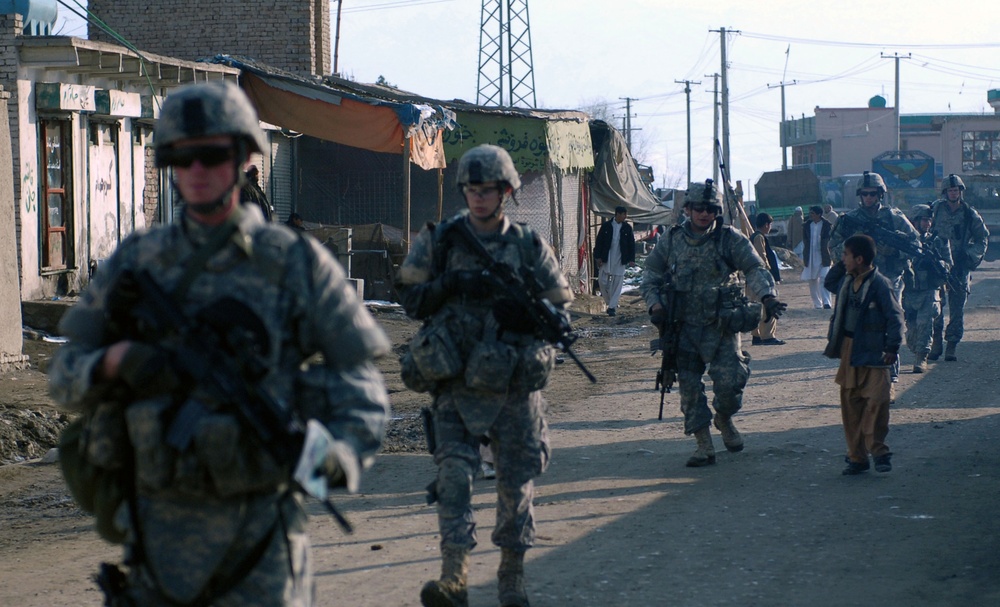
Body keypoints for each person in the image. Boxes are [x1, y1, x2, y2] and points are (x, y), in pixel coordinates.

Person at [47, 81, 391, 606]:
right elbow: (65, 374)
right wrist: (115, 363)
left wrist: (327, 453)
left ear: (244, 157)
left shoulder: (296, 264)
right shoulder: (137, 262)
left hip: (261, 542)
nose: (198, 171)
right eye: (182, 158)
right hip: (158, 540)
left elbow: (363, 390)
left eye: (213, 154)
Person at [395, 144, 572, 607]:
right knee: (453, 476)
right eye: (471, 189)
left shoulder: (528, 244)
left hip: (513, 381)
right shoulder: (441, 239)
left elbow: (559, 305)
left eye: (488, 190)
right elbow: (409, 299)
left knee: (515, 485)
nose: (478, 198)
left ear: (507, 192)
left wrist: (529, 316)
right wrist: (450, 285)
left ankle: (511, 579)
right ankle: (453, 577)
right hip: (456, 379)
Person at [641, 179, 786, 467]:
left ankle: (724, 418)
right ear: (688, 209)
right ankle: (703, 445)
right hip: (682, 327)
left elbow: (754, 267)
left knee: (731, 385)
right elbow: (651, 274)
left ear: (716, 211)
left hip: (721, 326)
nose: (704, 214)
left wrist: (767, 296)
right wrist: (654, 303)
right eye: (698, 208)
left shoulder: (729, 238)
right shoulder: (671, 239)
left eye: (710, 209)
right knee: (690, 389)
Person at [823, 235, 904, 475]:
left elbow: (895, 317)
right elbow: (829, 282)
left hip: (874, 352)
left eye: (846, 255)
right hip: (849, 349)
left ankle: (879, 452)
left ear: (859, 259)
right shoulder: (847, 279)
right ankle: (857, 457)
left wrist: (892, 347)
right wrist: (842, 262)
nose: (842, 259)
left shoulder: (880, 283)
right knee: (851, 405)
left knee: (878, 402)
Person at [829, 171, 920, 382]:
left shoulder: (894, 218)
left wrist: (892, 250)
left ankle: (891, 370)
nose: (869, 198)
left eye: (873, 194)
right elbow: (833, 249)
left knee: (890, 323)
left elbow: (915, 244)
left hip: (889, 280)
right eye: (865, 194)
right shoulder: (848, 220)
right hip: (859, 282)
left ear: (880, 194)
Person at [928, 174, 990, 361]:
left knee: (957, 309)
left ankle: (952, 345)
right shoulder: (935, 209)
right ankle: (936, 342)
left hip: (960, 266)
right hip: (937, 265)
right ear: (945, 192)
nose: (953, 193)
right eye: (950, 190)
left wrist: (970, 256)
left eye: (956, 190)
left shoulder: (970, 213)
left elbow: (982, 239)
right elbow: (921, 229)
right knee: (935, 306)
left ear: (960, 192)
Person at [902, 204, 952, 373]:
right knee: (912, 331)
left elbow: (948, 263)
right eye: (924, 220)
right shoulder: (906, 240)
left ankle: (921, 358)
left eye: (929, 220)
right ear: (914, 221)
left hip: (930, 289)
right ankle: (918, 350)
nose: (927, 223)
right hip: (909, 290)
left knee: (925, 324)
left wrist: (937, 264)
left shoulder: (938, 241)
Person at [593, 205, 636, 316]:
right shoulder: (606, 226)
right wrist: (598, 257)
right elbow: (599, 242)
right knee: (602, 281)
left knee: (617, 282)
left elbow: (631, 244)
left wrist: (631, 259)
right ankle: (609, 302)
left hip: (620, 258)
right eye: (623, 214)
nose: (625, 216)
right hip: (606, 257)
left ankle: (612, 307)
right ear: (617, 214)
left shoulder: (627, 228)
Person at [749, 212, 784, 345]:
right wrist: (769, 273)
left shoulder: (754, 236)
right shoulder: (759, 238)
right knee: (768, 307)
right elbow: (761, 257)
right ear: (766, 225)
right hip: (761, 279)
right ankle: (768, 336)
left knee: (756, 307)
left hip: (753, 279)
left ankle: (756, 336)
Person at [800, 205, 834, 309]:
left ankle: (827, 302)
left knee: (824, 278)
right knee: (812, 280)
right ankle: (817, 304)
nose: (810, 215)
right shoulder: (807, 225)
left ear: (819, 214)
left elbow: (831, 240)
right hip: (810, 256)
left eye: (812, 213)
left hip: (824, 256)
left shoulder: (827, 225)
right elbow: (805, 240)